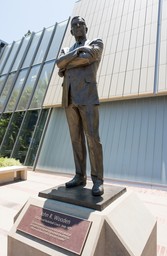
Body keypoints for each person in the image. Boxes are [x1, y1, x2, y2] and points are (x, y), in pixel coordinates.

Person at [56, 16, 104, 196]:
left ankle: (98, 180)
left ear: (86, 27)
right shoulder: (66, 48)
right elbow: (59, 63)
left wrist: (67, 64)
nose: (77, 26)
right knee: (75, 139)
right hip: (68, 97)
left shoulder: (96, 42)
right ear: (71, 31)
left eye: (80, 24)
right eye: (74, 25)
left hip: (88, 95)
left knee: (93, 139)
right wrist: (77, 53)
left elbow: (88, 57)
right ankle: (79, 175)